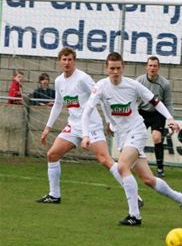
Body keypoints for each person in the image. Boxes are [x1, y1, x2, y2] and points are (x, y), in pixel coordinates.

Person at [81, 52, 182, 226]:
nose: (115, 72)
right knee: (148, 179)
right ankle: (181, 198)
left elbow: (156, 101)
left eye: (118, 68)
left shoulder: (133, 85)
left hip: (137, 131)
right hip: (122, 137)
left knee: (122, 167)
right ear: (106, 69)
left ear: (123, 68)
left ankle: (135, 215)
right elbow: (87, 110)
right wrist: (86, 134)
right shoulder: (101, 87)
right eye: (112, 68)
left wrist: (170, 118)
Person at [36, 47, 143, 208]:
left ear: (74, 61)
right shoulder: (59, 81)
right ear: (60, 61)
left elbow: (101, 98)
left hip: (91, 124)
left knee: (104, 160)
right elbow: (58, 104)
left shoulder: (83, 78)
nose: (67, 62)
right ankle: (54, 194)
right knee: (52, 154)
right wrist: (47, 128)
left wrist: (109, 121)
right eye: (64, 59)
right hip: (73, 125)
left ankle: (135, 195)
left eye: (70, 59)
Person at [136, 56, 173, 177]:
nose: (152, 68)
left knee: (156, 138)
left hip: (157, 113)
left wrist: (171, 120)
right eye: (150, 65)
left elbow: (168, 103)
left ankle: (160, 168)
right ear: (146, 67)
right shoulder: (139, 81)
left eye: (155, 66)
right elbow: (133, 99)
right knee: (136, 137)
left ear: (159, 68)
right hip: (142, 112)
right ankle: (133, 163)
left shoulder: (165, 84)